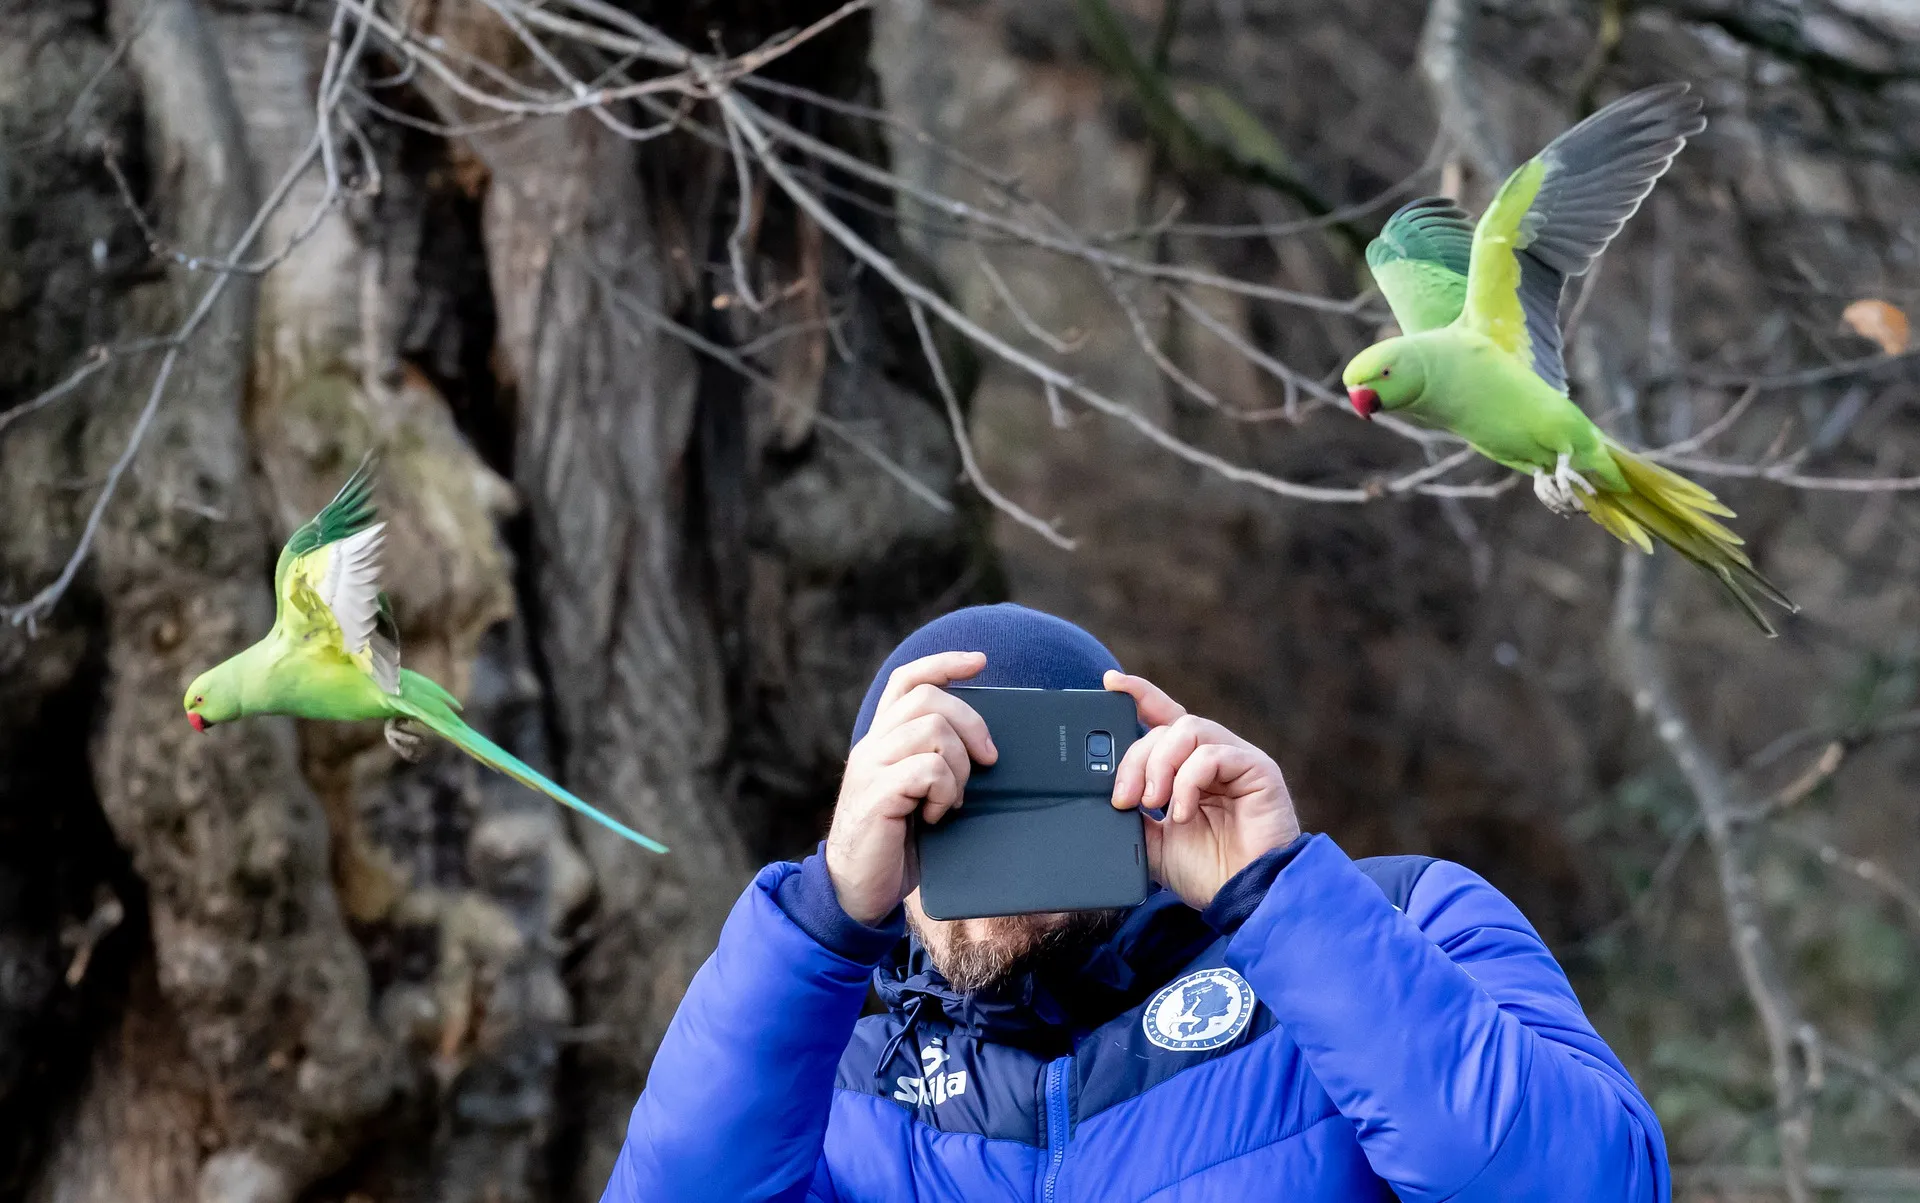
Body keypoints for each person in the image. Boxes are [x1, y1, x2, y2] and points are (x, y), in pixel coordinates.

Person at [599, 604, 1670, 1201]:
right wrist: (826, 918)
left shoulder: (1399, 923)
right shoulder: (826, 1066)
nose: (974, 872)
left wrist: (1278, 897)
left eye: (1015, 791)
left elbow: (1585, 1189)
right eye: (931, 807)